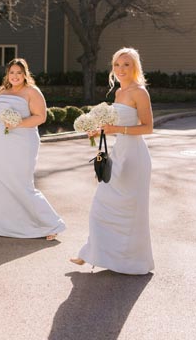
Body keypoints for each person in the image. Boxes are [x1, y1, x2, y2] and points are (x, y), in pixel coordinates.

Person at [71, 47, 154, 275]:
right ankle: (93, 251)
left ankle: (131, 261)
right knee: (102, 205)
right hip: (118, 154)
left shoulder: (139, 92)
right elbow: (116, 129)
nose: (121, 69)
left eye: (126, 64)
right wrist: (99, 132)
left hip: (135, 158)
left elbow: (148, 127)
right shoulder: (118, 93)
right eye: (117, 64)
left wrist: (116, 128)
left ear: (135, 66)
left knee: (130, 211)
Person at [0, 58, 65, 239]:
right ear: (7, 74)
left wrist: (17, 124)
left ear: (25, 74)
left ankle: (51, 224)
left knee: (22, 183)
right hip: (0, 142)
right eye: (12, 72)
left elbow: (40, 117)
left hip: (23, 141)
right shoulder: (3, 90)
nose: (15, 76)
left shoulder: (32, 92)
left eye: (19, 72)